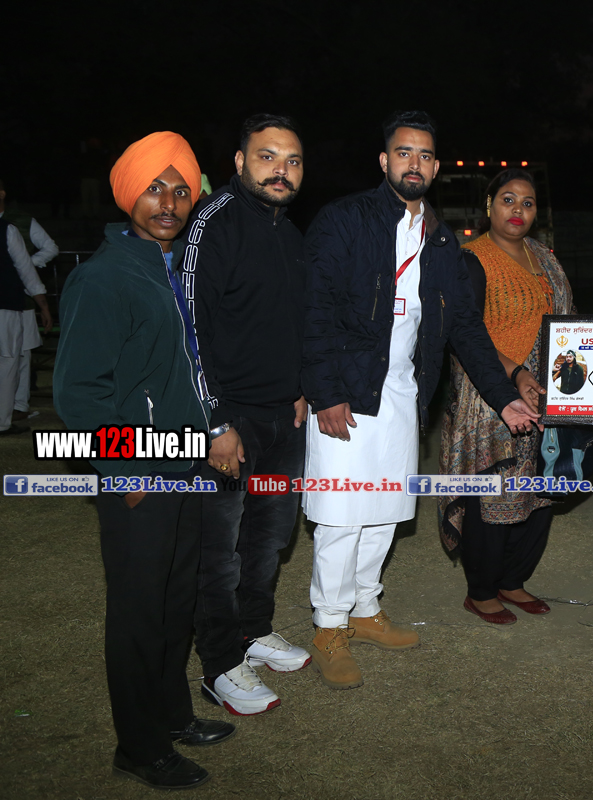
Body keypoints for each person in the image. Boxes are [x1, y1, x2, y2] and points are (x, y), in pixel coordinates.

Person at [302, 110, 540, 689]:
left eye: (425, 155)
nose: (415, 163)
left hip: (403, 396)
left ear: (435, 168)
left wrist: (503, 397)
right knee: (341, 514)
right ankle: (329, 625)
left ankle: (365, 609)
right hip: (346, 393)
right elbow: (313, 310)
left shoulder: (440, 239)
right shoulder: (344, 220)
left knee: (385, 509)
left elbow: (466, 328)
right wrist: (325, 392)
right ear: (384, 160)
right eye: (404, 153)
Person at [54, 132, 234, 790]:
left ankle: (171, 714)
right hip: (139, 471)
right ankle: (138, 745)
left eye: (181, 190)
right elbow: (78, 395)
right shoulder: (104, 277)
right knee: (137, 612)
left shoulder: (174, 267)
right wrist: (125, 471)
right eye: (155, 188)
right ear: (129, 193)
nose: (169, 202)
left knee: (175, 600)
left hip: (183, 466)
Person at [187, 115, 313, 716]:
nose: (280, 170)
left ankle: (252, 631)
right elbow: (190, 330)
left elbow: (292, 322)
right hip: (229, 422)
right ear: (239, 162)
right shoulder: (211, 222)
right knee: (219, 552)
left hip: (282, 419)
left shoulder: (289, 233)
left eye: (292, 161)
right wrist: (214, 421)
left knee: (268, 538)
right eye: (267, 157)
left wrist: (300, 388)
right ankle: (218, 666)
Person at [439, 168, 571, 624]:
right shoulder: (472, 259)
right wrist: (515, 373)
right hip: (490, 397)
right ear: (489, 205)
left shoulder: (545, 257)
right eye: (508, 199)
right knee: (494, 492)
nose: (518, 210)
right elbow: (467, 333)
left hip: (547, 393)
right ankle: (481, 590)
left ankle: (513, 580)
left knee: (539, 490)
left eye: (528, 202)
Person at [0, 179, 59, 423]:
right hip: (14, 297)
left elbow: (49, 248)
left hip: (19, 298)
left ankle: (18, 405)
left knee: (20, 353)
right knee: (12, 355)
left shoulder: (19, 221)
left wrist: (26, 266)